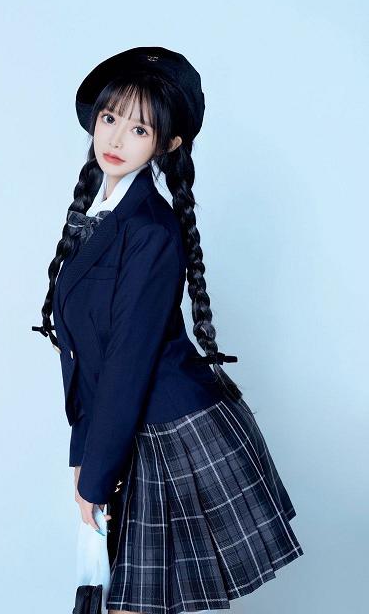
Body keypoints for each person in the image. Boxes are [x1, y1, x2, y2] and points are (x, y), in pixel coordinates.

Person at [32, 46, 304, 614]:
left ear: (167, 144)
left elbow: (126, 362)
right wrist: (84, 452)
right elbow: (86, 355)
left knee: (133, 605)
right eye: (110, 118)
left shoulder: (151, 230)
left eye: (139, 129)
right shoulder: (101, 218)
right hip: (125, 431)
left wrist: (94, 476)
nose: (116, 138)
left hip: (170, 432)